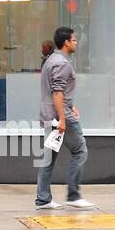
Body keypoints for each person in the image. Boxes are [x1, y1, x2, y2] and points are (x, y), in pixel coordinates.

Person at [35, 26, 95, 209]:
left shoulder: (51, 60)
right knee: (80, 151)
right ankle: (74, 195)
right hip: (61, 118)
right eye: (74, 40)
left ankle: (43, 199)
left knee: (49, 157)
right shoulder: (61, 63)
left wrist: (69, 105)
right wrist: (63, 117)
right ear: (66, 42)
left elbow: (59, 92)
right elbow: (57, 92)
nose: (76, 42)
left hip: (49, 114)